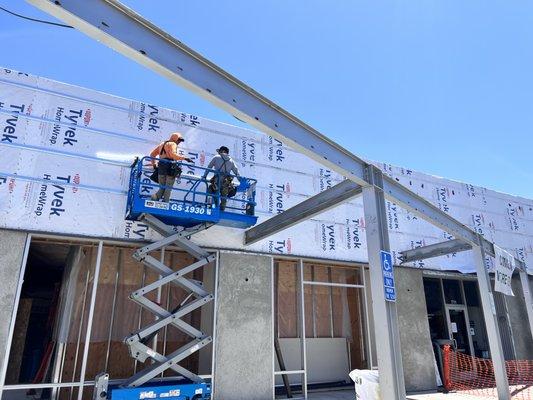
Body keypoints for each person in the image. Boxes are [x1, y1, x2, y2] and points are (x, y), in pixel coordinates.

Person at [149, 132, 193, 202]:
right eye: (179, 140)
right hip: (170, 167)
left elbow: (152, 154)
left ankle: (153, 200)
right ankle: (165, 204)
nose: (179, 142)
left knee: (162, 188)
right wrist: (185, 158)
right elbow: (173, 155)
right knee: (168, 188)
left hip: (161, 167)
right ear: (175, 139)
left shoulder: (162, 144)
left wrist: (154, 164)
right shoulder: (173, 144)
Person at [203, 146, 239, 211]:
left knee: (211, 191)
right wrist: (241, 181)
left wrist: (204, 176)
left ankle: (212, 208)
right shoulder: (231, 161)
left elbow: (209, 167)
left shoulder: (216, 157)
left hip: (217, 181)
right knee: (223, 197)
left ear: (222, 151)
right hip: (226, 183)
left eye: (219, 151)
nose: (218, 153)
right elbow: (236, 172)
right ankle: (221, 211)